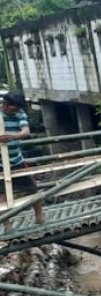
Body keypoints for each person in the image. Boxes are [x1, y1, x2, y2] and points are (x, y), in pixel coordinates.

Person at [0, 91, 44, 224]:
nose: (15, 112)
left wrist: (12, 136)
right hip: (0, 163)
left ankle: (39, 216)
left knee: (31, 188)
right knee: (2, 194)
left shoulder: (19, 113)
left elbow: (25, 132)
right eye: (13, 109)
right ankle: (7, 224)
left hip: (16, 159)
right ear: (5, 105)